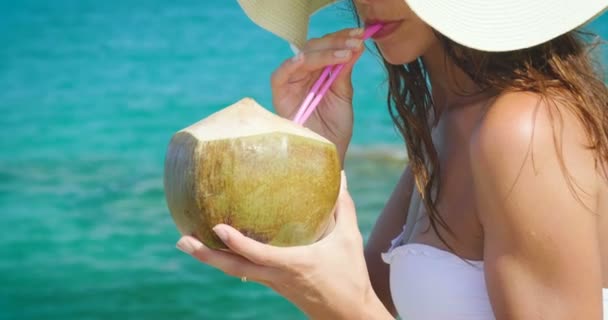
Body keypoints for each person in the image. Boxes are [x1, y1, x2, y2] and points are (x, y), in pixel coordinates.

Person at [176, 0, 608, 318]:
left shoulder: (524, 129)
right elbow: (381, 303)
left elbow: (354, 307)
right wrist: (316, 158)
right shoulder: (445, 130)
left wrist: (329, 301)